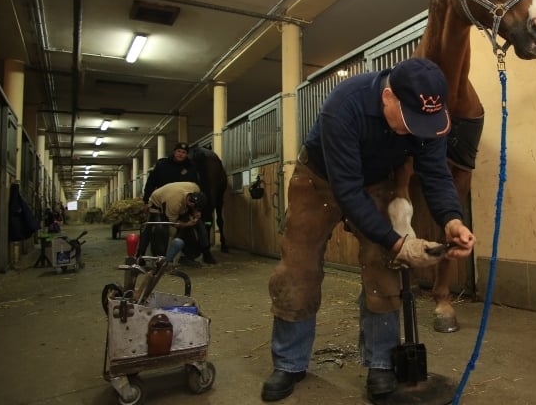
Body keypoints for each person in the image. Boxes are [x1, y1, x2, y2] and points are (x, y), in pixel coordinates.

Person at [261, 58, 476, 401]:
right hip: (320, 179)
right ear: (388, 97)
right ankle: (289, 362)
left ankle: (381, 362)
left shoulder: (429, 115)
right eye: (411, 121)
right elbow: (347, 190)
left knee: (384, 266)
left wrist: (453, 219)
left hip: (377, 179)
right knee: (298, 266)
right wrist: (399, 243)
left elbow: (435, 173)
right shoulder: (344, 105)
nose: (418, 130)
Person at [141, 142, 216, 263]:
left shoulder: (191, 167)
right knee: (155, 227)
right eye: (179, 151)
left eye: (184, 152)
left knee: (199, 225)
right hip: (163, 203)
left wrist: (196, 210)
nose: (181, 154)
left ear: (187, 155)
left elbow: (196, 187)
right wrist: (145, 201)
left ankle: (203, 253)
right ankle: (142, 255)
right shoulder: (162, 165)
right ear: (174, 152)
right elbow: (151, 183)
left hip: (185, 202)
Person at [135, 181, 213, 267]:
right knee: (160, 229)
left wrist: (196, 212)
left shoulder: (195, 189)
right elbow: (173, 223)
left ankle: (191, 256)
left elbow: (195, 204)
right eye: (195, 207)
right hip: (157, 203)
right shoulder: (174, 203)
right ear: (191, 203)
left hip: (177, 198)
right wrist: (187, 224)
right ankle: (155, 258)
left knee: (198, 226)